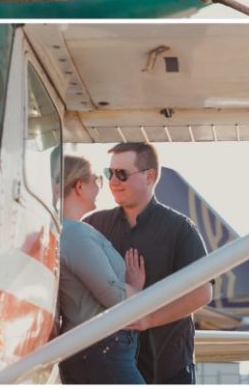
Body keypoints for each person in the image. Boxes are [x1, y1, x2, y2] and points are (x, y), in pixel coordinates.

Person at [85, 143, 212, 384]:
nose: (113, 181)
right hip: (108, 370)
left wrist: (149, 320)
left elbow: (202, 293)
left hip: (168, 368)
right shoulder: (93, 226)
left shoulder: (180, 229)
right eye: (109, 173)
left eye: (122, 174)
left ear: (149, 176)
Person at [57, 154, 146, 383]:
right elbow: (115, 296)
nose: (102, 185)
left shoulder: (73, 231)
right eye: (97, 179)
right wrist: (136, 287)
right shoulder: (75, 233)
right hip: (101, 352)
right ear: (79, 186)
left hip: (99, 352)